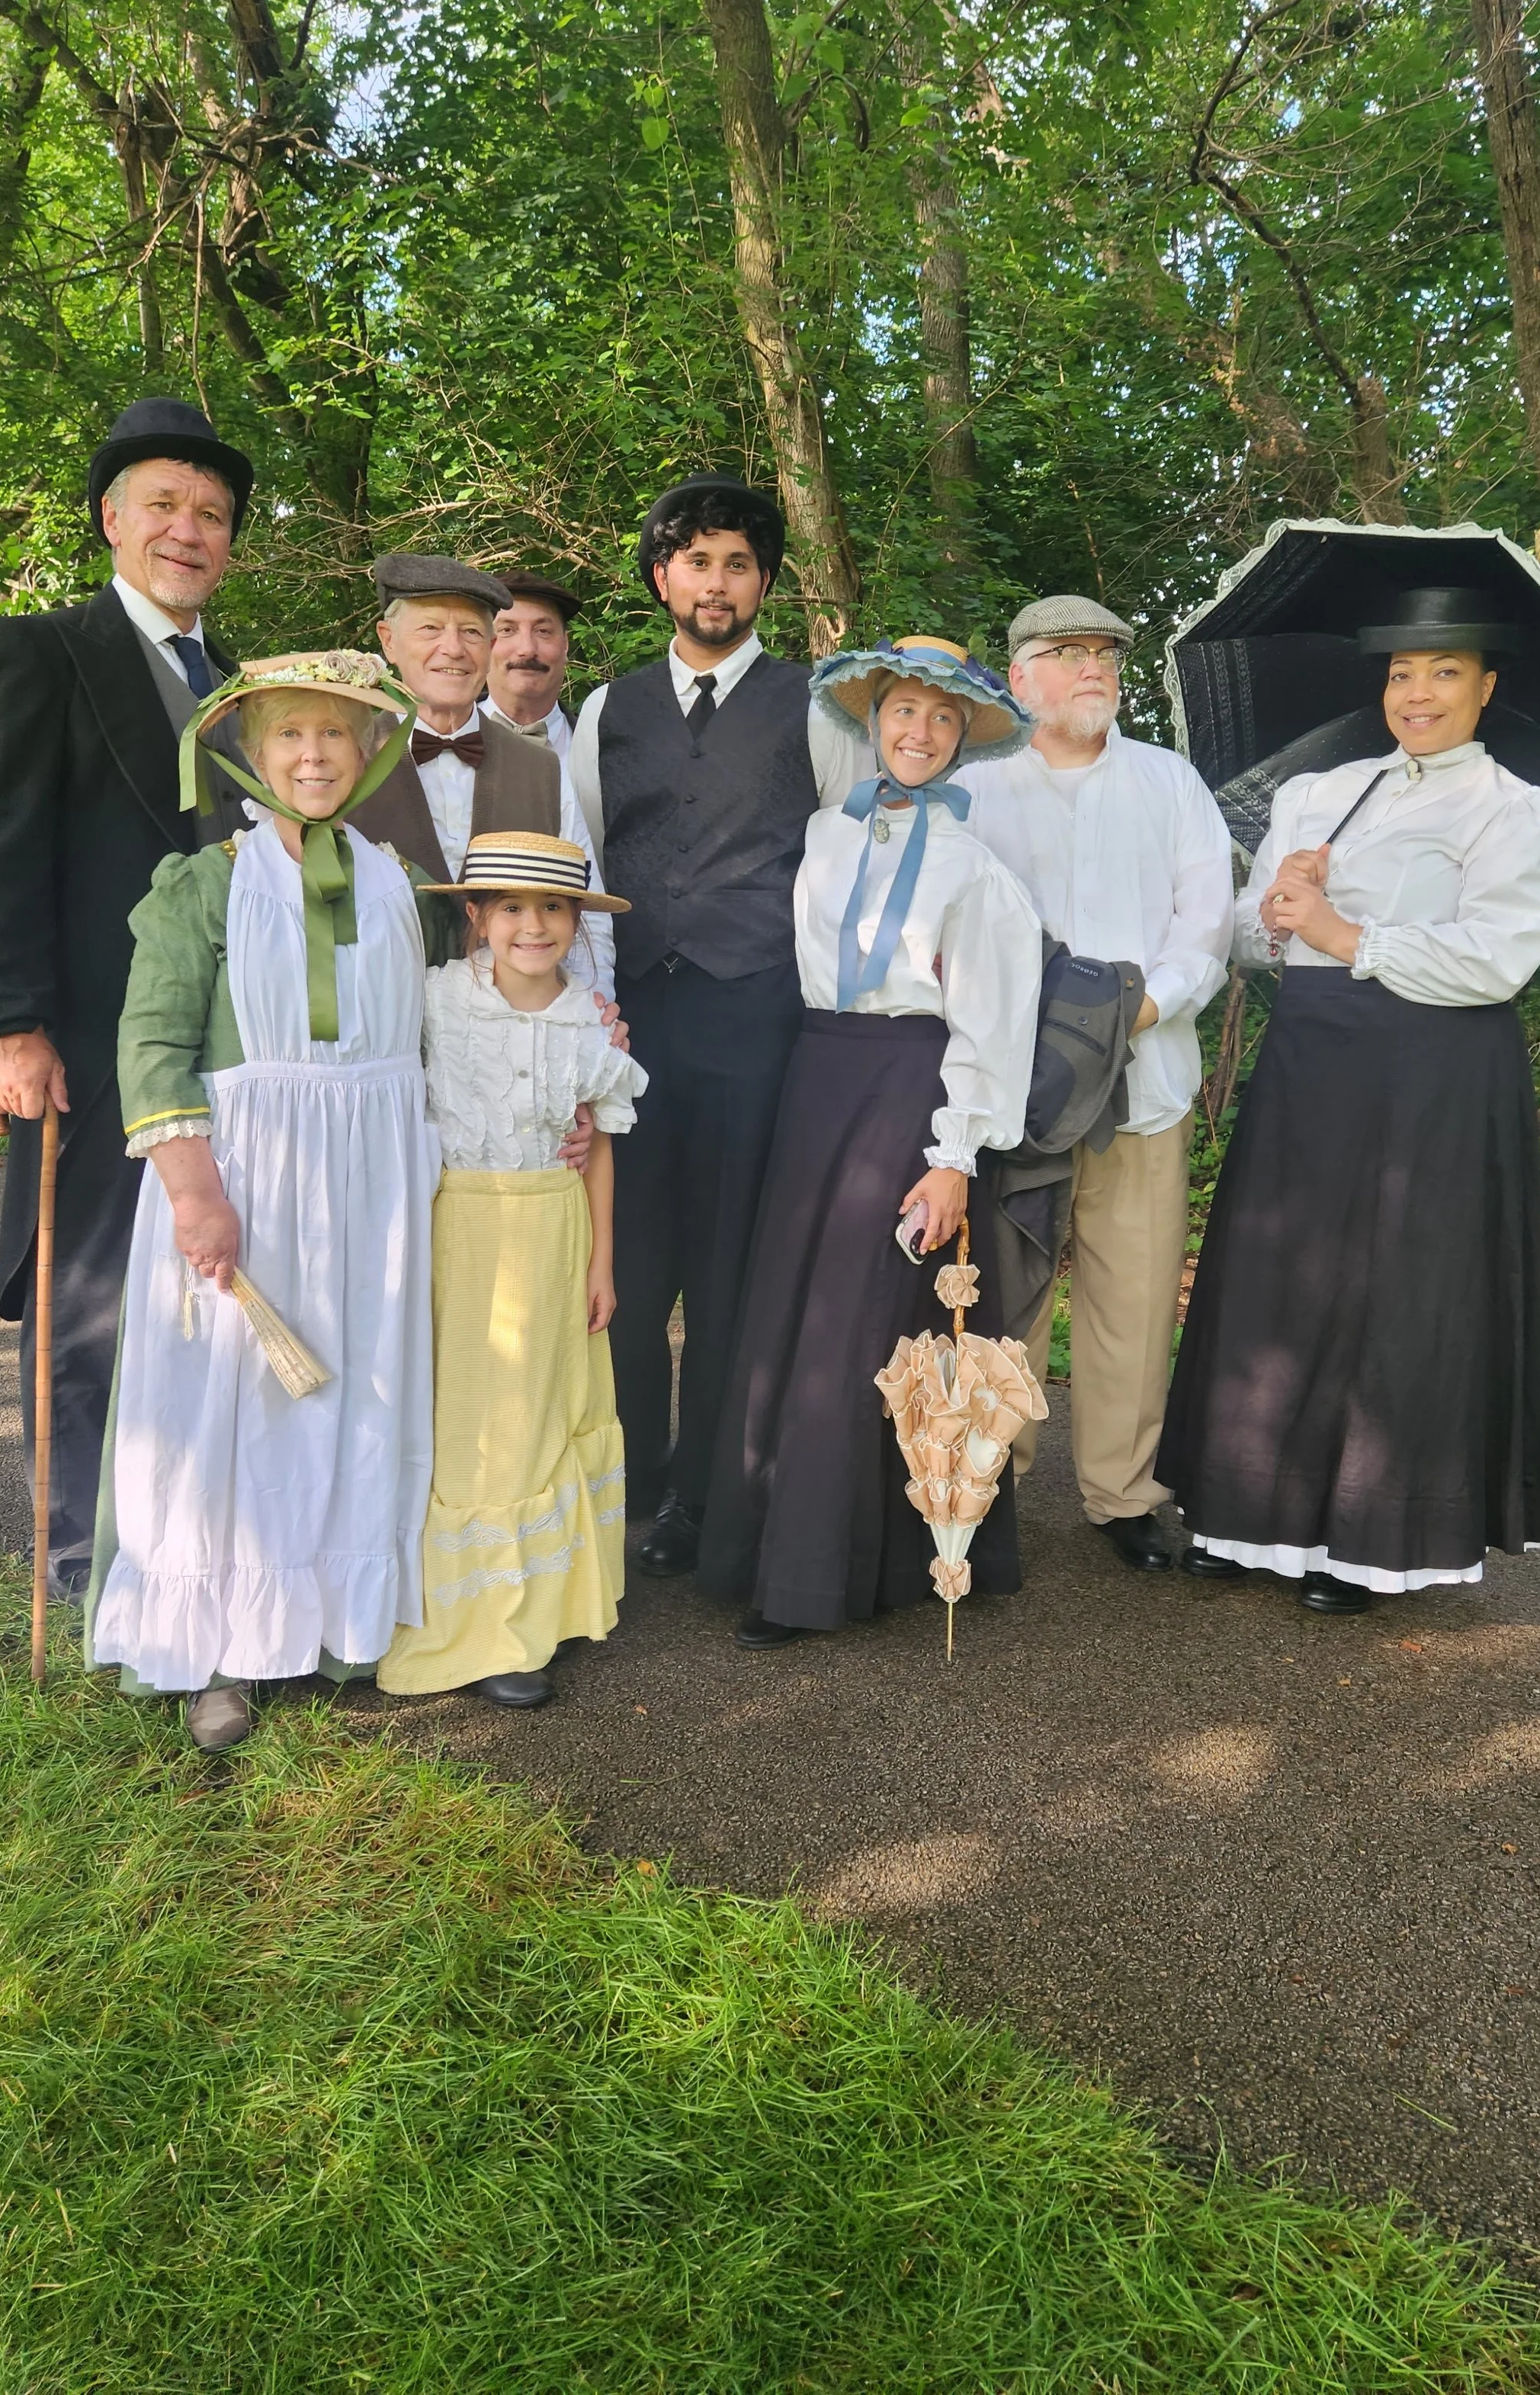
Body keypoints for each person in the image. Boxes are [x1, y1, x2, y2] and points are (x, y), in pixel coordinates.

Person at [1156, 587, 1540, 1616]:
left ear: (1486, 687)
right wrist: (1279, 906)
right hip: (1311, 1062)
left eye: (1443, 672)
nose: (1417, 691)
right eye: (1400, 671)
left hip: (1432, 1071)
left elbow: (1496, 960)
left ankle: (1371, 1543)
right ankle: (1247, 1523)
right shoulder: (1321, 791)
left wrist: (1345, 935)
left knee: (1398, 1294)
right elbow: (1257, 943)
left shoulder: (1520, 809)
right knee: (1280, 1282)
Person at [88, 653, 440, 1748]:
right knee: (229, 1408)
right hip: (248, 1179)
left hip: (372, 1183)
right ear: (250, 748)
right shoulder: (207, 883)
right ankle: (217, 1655)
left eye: (336, 735)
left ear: (369, 748)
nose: (315, 755)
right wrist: (196, 1195)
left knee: (355, 1394)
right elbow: (151, 1046)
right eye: (291, 735)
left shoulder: (394, 880)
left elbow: (432, 1036)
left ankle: (333, 1623)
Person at [0, 397, 254, 1603]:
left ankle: (186, 1534)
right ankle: (82, 1553)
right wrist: (12, 1022)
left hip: (219, 1051)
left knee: (198, 1293)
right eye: (166, 506)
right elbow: (0, 837)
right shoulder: (43, 651)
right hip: (79, 1032)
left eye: (213, 514)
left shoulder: (241, 688)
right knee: (86, 1297)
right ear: (112, 520)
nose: (189, 530)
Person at [698, 637, 1044, 1646]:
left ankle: (822, 1573)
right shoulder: (824, 836)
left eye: (943, 718)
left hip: (906, 1087)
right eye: (903, 710)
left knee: (863, 1323)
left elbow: (991, 1024)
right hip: (813, 1081)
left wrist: (952, 1156)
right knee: (792, 1314)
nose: (920, 731)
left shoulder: (978, 869)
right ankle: (764, 1541)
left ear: (967, 733)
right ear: (874, 718)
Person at [567, 474, 870, 1572]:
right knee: (630, 1267)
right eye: (697, 560)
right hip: (638, 1022)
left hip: (759, 1019)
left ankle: (710, 1498)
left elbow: (846, 866)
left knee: (733, 1266)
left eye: (738, 563)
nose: (716, 581)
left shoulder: (822, 707)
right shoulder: (607, 710)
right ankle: (626, 1478)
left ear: (764, 585)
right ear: (662, 576)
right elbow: (590, 864)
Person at [959, 596, 1233, 1572]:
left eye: (1107, 654)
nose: (1095, 669)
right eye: (1068, 653)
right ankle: (987, 1485)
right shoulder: (977, 789)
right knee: (1008, 1293)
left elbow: (1207, 921)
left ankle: (1122, 1495)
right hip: (1017, 1096)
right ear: (1020, 676)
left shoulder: (1168, 782)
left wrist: (1134, 1014)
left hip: (1143, 1084)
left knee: (1135, 1291)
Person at [377, 834, 647, 1712]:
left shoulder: (587, 1017)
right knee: (470, 1420)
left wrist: (603, 1260)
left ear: (576, 923)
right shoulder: (434, 1002)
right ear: (477, 917)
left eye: (554, 909)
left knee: (542, 1413)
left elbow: (598, 1148)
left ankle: (536, 1614)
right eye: (512, 908)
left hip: (554, 1227)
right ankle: (476, 1620)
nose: (533, 926)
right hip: (460, 1227)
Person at [347, 553, 614, 997]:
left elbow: (588, 914)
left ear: (490, 646)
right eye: (430, 628)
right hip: (381, 1037)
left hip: (512, 1043)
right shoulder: (344, 766)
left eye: (471, 632)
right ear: (388, 641)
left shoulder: (543, 770)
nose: (453, 648)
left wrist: (590, 1012)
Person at [483, 570, 583, 771]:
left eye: (543, 632)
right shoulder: (432, 742)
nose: (527, 649)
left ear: (565, 645)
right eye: (507, 630)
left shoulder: (605, 750)